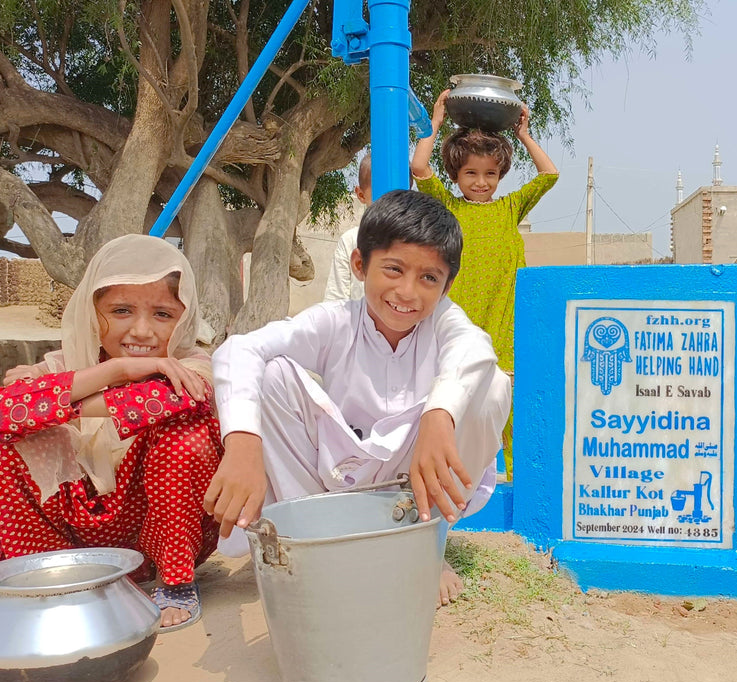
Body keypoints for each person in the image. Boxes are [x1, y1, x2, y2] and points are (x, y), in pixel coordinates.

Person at [205, 190, 511, 605]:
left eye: (428, 278)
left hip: (418, 473)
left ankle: (425, 545)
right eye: (393, 269)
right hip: (340, 479)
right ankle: (313, 541)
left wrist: (440, 415)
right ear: (360, 266)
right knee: (273, 374)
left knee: (490, 385)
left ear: (446, 285)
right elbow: (239, 349)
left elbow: (475, 350)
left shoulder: (445, 322)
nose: (407, 292)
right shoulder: (335, 323)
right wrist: (242, 442)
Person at [0, 235, 222, 631]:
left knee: (186, 431)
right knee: (10, 442)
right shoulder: (65, 364)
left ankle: (176, 583)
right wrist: (115, 372)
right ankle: (49, 578)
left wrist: (55, 404)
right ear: (92, 311)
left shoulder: (193, 364)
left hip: (157, 539)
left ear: (184, 317)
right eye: (121, 310)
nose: (142, 331)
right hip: (76, 538)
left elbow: (166, 399)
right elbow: (5, 412)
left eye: (163, 314)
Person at [410, 89, 558, 478]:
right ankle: (459, 483)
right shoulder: (448, 206)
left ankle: (513, 486)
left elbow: (550, 175)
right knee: (457, 408)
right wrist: (436, 121)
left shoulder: (511, 208)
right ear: (456, 175)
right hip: (459, 326)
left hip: (504, 327)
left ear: (501, 175)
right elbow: (419, 167)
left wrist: (524, 135)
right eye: (471, 173)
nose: (481, 181)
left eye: (490, 173)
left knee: (508, 409)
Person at [324, 152, 372, 302]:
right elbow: (335, 303)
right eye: (381, 192)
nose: (391, 202)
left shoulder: (417, 243)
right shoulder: (351, 241)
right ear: (361, 195)